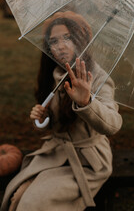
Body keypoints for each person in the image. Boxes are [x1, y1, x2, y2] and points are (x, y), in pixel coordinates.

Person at [1, 11, 122, 211]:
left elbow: (113, 125)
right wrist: (43, 118)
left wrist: (86, 102)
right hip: (55, 154)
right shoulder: (54, 74)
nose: (61, 46)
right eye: (54, 41)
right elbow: (56, 123)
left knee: (32, 204)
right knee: (16, 197)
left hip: (87, 163)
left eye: (68, 38)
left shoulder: (98, 78)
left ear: (81, 40)